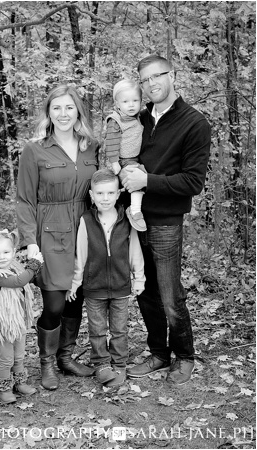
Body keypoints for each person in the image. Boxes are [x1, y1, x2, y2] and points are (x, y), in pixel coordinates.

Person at [121, 55, 210, 385]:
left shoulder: (194, 123)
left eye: (158, 76)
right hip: (134, 218)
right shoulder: (139, 118)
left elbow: (192, 182)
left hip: (166, 222)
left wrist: (147, 181)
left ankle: (184, 356)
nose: (151, 84)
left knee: (171, 295)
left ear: (173, 75)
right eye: (144, 80)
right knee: (145, 292)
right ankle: (159, 353)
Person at [15, 84, 99, 391]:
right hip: (48, 232)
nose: (63, 114)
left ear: (78, 111)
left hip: (85, 229)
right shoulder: (34, 150)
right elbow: (25, 200)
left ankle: (66, 357)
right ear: (48, 113)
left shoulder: (92, 146)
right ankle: (46, 363)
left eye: (69, 107)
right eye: (57, 108)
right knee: (54, 301)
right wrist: (30, 242)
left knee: (76, 297)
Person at [67, 170, 145, 388]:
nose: (105, 198)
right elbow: (80, 254)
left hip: (120, 286)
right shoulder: (86, 220)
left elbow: (135, 251)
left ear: (118, 194)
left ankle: (119, 364)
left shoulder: (126, 220)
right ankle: (101, 363)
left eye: (110, 192)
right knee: (97, 329)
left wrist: (139, 278)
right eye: (100, 193)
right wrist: (75, 282)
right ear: (92, 195)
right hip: (94, 287)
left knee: (120, 329)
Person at [0, 229, 42, 404]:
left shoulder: (14, 268)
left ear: (13, 252)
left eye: (6, 252)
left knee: (19, 355)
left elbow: (23, 281)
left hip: (17, 322)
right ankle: (4, 387)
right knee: (7, 358)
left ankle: (20, 382)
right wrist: (35, 264)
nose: (2, 257)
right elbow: (19, 282)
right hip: (2, 326)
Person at [101, 79, 147, 231]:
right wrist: (114, 162)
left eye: (135, 100)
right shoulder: (116, 121)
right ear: (117, 104)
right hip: (122, 160)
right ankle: (135, 211)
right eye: (126, 101)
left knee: (142, 176)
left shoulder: (137, 117)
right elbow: (112, 142)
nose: (131, 105)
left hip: (134, 158)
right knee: (136, 178)